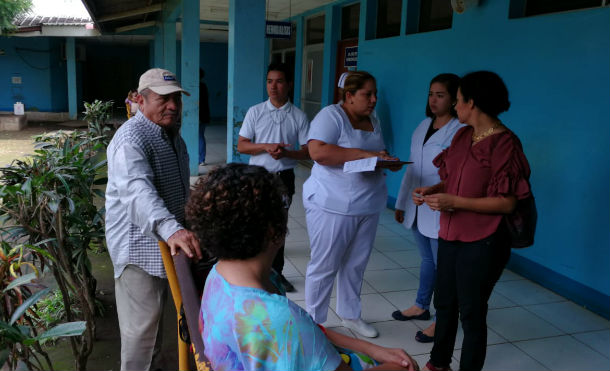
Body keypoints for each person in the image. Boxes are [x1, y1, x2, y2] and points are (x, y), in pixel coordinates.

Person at [186, 163, 418, 371]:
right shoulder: (280, 319)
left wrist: (371, 349)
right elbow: (295, 331)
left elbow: (312, 332)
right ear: (273, 230)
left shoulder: (218, 275)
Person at [419, 71, 532, 371]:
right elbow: (453, 180)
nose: (455, 107)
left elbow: (507, 202)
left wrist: (454, 202)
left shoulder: (505, 144)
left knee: (471, 312)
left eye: (457, 101)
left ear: (473, 102)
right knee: (444, 304)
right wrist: (434, 190)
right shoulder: (462, 135)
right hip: (450, 235)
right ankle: (438, 362)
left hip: (484, 241)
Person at [105, 68, 203, 371]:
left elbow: (179, 191)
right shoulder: (130, 140)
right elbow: (137, 191)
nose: (172, 105)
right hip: (139, 251)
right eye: (162, 98)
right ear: (140, 100)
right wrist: (171, 228)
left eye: (176, 98)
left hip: (171, 246)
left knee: (176, 327)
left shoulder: (175, 138)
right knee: (140, 335)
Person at [303, 71, 404, 338]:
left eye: (375, 94)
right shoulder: (331, 116)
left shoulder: (374, 119)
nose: (374, 99)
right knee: (324, 265)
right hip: (332, 204)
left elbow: (370, 156)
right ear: (349, 96)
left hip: (367, 204)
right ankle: (315, 324)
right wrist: (368, 154)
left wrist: (384, 161)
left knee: (356, 264)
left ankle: (350, 315)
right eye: (367, 94)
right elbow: (319, 152)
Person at [391, 74, 464, 344]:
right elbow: (413, 170)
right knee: (428, 261)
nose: (433, 100)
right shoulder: (423, 126)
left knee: (444, 267)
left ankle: (442, 320)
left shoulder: (459, 131)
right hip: (418, 206)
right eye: (431, 94)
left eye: (441, 95)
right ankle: (421, 306)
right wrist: (401, 203)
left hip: (441, 206)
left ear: (455, 98)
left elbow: (457, 175)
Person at [237, 62, 310, 293]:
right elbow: (242, 146)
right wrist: (266, 147)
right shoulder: (255, 111)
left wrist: (287, 153)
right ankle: (253, 273)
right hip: (257, 177)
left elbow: (308, 151)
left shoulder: (298, 115)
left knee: (278, 228)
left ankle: (277, 274)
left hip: (283, 178)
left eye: (279, 81)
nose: (273, 86)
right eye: (270, 81)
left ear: (288, 84)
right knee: (256, 224)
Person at [199, 68, 211, 166]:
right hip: (204, 115)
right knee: (201, 136)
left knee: (199, 137)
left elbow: (201, 103)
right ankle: (201, 159)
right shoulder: (204, 86)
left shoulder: (198, 86)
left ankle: (201, 159)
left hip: (200, 115)